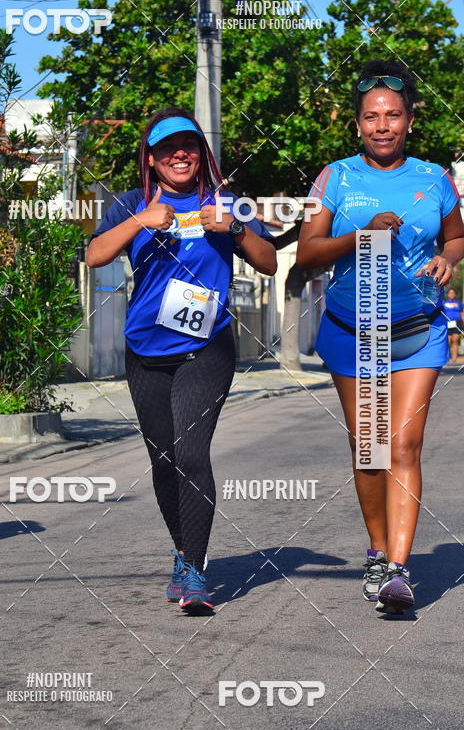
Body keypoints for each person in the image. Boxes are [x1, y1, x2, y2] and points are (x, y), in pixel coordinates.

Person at [86, 108, 276, 612]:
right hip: (145, 349)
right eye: (168, 148)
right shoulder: (131, 204)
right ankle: (181, 550)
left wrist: (234, 230)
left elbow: (269, 261)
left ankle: (194, 569)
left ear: (201, 154)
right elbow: (95, 255)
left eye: (189, 146)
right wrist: (140, 221)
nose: (180, 155)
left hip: (206, 347)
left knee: (192, 454)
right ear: (151, 159)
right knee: (164, 461)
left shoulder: (226, 203)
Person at [297, 60, 464, 614]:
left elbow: (458, 236)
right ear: (358, 124)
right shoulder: (336, 178)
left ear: (410, 121)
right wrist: (359, 236)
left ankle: (398, 569)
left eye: (393, 115)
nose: (383, 125)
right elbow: (307, 253)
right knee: (369, 451)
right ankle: (376, 547)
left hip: (419, 332)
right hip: (353, 331)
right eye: (372, 117)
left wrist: (447, 259)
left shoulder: (434, 178)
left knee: (404, 446)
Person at [442, 287, 464, 363]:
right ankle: (447, 358)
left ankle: (454, 359)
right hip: (447, 323)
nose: (451, 294)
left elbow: (462, 313)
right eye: (450, 293)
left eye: (453, 293)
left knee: (455, 340)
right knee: (448, 341)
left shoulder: (459, 303)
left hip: (457, 323)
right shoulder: (444, 304)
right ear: (447, 294)